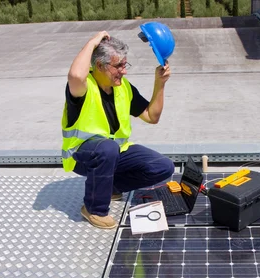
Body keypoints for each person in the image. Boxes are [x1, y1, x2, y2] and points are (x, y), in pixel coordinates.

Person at [61, 31, 175, 229]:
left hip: (114, 153)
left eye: (125, 64)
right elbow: (75, 74)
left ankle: (110, 187)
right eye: (118, 66)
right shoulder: (83, 87)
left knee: (163, 166)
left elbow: (152, 116)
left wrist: (160, 83)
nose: (124, 71)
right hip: (83, 156)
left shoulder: (123, 88)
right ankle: (94, 209)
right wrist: (92, 41)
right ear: (99, 66)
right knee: (107, 149)